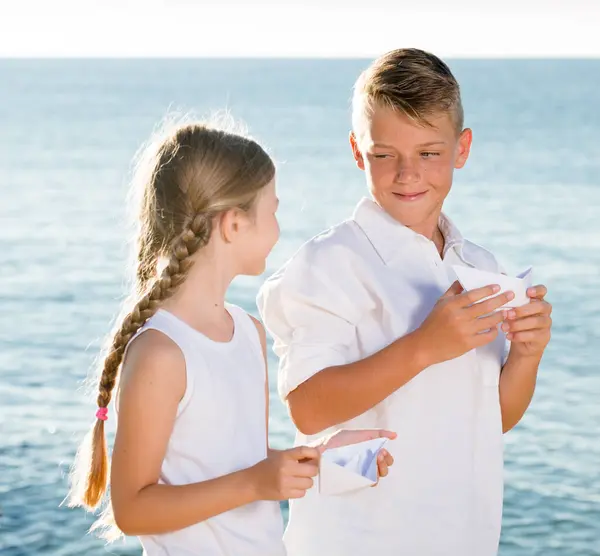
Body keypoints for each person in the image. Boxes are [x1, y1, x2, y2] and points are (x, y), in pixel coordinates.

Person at [258, 48, 553, 556]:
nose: (407, 173)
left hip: (463, 537)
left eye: (429, 153)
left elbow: (493, 417)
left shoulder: (480, 265)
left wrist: (527, 355)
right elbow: (307, 409)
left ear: (462, 149)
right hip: (357, 541)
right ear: (357, 152)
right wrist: (424, 346)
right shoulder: (329, 265)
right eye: (384, 154)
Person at [68, 120, 395, 555]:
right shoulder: (161, 353)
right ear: (233, 224)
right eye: (272, 211)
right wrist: (255, 482)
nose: (279, 229)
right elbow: (132, 510)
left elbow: (237, 464)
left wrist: (318, 457)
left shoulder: (248, 332)